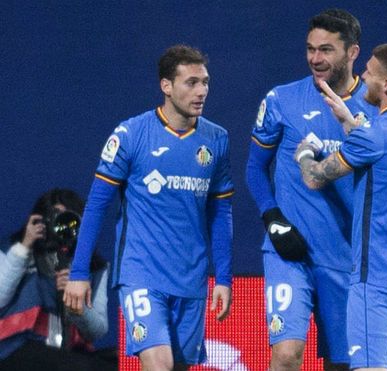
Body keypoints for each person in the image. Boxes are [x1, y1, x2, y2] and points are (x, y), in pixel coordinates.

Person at [63, 44, 235, 370]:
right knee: (160, 364)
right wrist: (79, 272)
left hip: (192, 278)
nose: (202, 91)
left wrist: (223, 277)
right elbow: (98, 204)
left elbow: (221, 212)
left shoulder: (217, 140)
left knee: (175, 367)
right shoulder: (131, 134)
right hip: (142, 272)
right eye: (191, 83)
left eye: (205, 82)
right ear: (166, 86)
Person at [245, 8, 377, 370]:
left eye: (326, 50)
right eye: (310, 49)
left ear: (352, 53)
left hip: (347, 259)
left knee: (343, 364)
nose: (315, 59)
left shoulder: (376, 107)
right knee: (286, 355)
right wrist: (272, 218)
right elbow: (255, 168)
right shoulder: (281, 100)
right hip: (290, 254)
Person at [296, 43, 387, 371]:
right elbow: (385, 155)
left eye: (370, 73)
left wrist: (305, 153)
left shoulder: (376, 135)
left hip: (375, 279)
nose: (362, 76)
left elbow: (316, 178)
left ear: (386, 85)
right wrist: (351, 124)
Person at [0, 188, 115, 370]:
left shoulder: (93, 267)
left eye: (67, 220)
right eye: (53, 217)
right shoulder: (12, 249)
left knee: (127, 364)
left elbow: (97, 331)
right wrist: (24, 248)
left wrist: (76, 303)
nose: (59, 226)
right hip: (15, 347)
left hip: (67, 353)